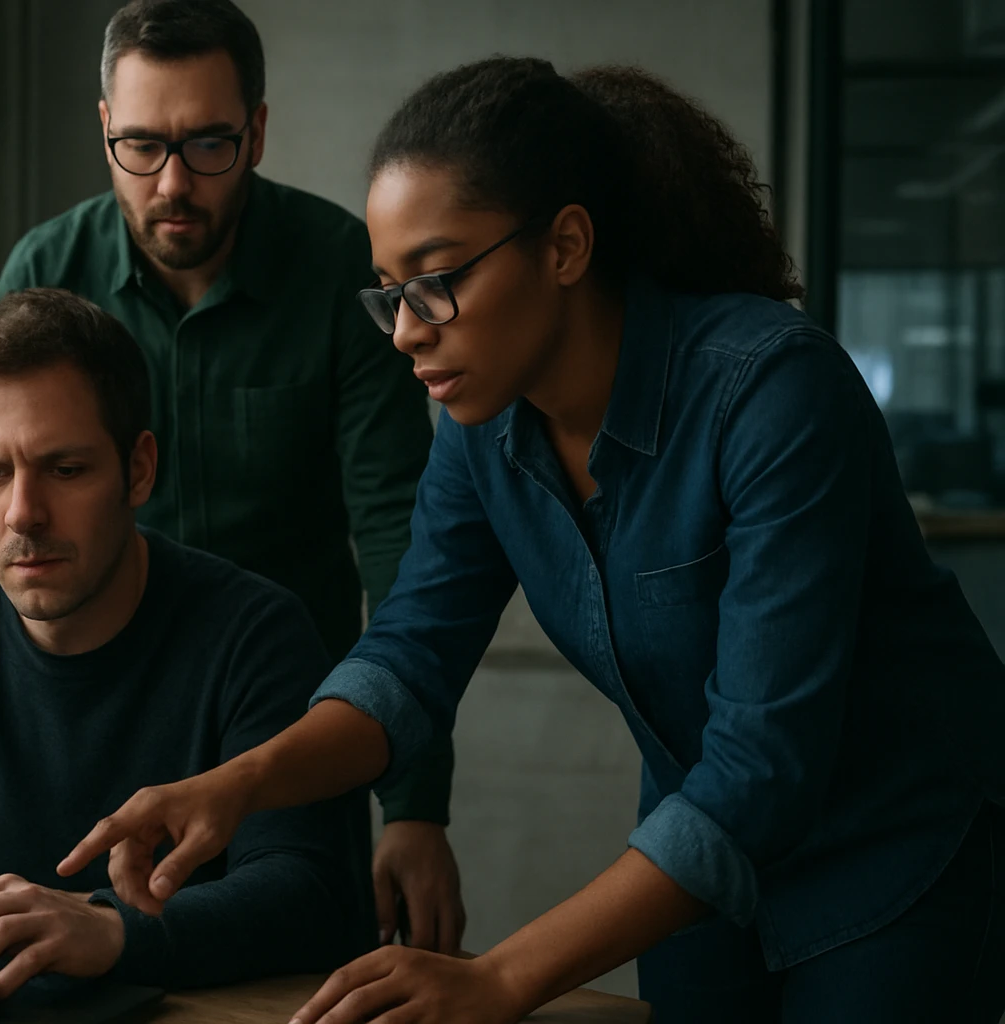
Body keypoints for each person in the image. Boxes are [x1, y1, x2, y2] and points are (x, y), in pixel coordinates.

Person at [59, 58, 1005, 1023]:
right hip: (701, 871)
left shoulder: (771, 391)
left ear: (565, 245)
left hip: (894, 857)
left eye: (434, 283)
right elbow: (408, 659)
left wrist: (501, 975)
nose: (404, 334)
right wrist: (235, 785)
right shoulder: (484, 429)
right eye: (387, 293)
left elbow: (762, 767)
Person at [0, 0, 463, 954]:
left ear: (259, 131)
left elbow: (400, 545)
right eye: (143, 147)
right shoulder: (47, 271)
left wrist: (414, 806)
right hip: (88, 745)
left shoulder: (336, 273)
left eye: (208, 147)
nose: (173, 185)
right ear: (104, 128)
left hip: (286, 749)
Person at [0, 288, 374, 1000]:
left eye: (65, 471)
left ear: (139, 469)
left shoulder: (255, 635)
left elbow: (309, 894)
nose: (22, 515)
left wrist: (114, 929)